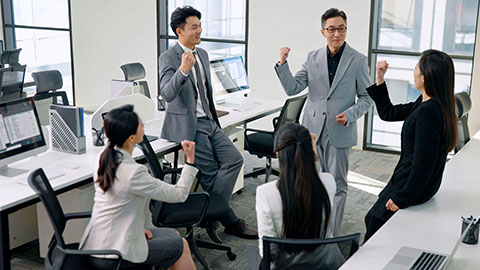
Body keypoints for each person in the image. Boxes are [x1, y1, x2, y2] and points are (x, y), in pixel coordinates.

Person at [158, 5, 257, 242]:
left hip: (211, 121)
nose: (200, 30)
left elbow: (206, 93)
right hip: (189, 127)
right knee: (211, 175)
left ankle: (212, 217)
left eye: (200, 25)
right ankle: (231, 222)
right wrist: (183, 70)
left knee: (235, 160)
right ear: (179, 31)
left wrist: (214, 117)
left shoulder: (202, 54)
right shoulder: (168, 58)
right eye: (194, 27)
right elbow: (166, 94)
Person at [274, 8, 373, 236]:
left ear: (346, 30)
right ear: (323, 31)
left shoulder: (358, 60)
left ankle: (331, 235)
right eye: (331, 29)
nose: (336, 34)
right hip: (312, 131)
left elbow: (367, 98)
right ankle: (311, 228)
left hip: (340, 130)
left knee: (338, 185)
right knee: (309, 182)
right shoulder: (312, 57)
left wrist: (350, 114)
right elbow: (293, 88)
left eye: (341, 29)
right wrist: (282, 63)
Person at [79, 105, 198, 269]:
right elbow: (180, 194)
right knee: (181, 245)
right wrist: (190, 160)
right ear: (131, 138)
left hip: (98, 242)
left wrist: (137, 229)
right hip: (114, 252)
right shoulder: (134, 173)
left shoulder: (103, 157)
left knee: (173, 235)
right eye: (141, 125)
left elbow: (118, 203)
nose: (144, 127)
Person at [364, 50, 458, 242]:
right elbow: (389, 113)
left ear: (426, 76)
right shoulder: (427, 103)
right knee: (372, 220)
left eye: (416, 67)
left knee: (374, 224)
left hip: (409, 184)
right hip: (415, 182)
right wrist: (380, 78)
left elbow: (423, 165)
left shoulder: (427, 113)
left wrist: (402, 198)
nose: (413, 71)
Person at [255, 123, 344, 269]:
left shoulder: (265, 192)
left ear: (277, 154)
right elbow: (314, 174)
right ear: (312, 152)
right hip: (326, 264)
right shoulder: (329, 182)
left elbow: (268, 252)